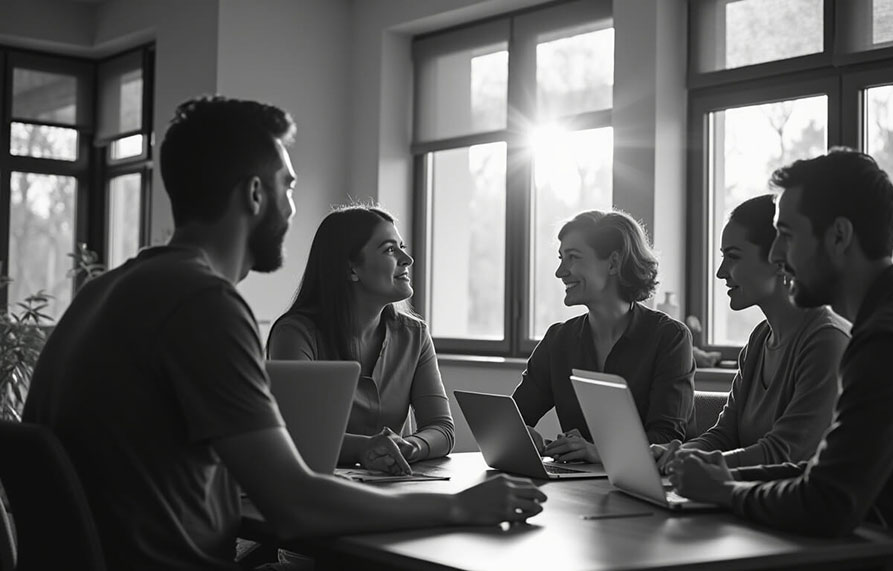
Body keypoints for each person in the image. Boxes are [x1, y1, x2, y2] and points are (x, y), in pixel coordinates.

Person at [21, 96, 545, 571]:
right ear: (255, 193)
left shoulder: (104, 291)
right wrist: (457, 504)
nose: (293, 207)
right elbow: (295, 506)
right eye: (288, 186)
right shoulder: (204, 303)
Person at [665, 149, 893, 571]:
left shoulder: (892, 338)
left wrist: (725, 492)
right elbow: (825, 475)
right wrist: (727, 478)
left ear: (839, 236)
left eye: (787, 234)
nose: (775, 255)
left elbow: (828, 503)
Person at [651, 195, 849, 470]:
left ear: (780, 258)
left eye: (733, 257)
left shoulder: (827, 341)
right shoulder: (759, 339)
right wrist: (675, 453)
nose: (721, 272)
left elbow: (784, 454)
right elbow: (724, 435)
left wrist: (700, 461)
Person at [268, 205, 454, 476]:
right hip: (317, 491)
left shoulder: (415, 335)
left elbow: (442, 428)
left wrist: (409, 447)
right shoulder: (295, 334)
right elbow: (295, 434)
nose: (407, 259)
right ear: (351, 268)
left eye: (401, 246)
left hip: (394, 488)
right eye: (390, 249)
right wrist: (366, 448)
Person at [513, 209, 695, 464]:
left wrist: (598, 453)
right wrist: (525, 438)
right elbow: (515, 418)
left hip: (644, 491)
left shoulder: (669, 338)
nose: (560, 272)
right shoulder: (558, 340)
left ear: (613, 263)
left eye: (572, 258)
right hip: (576, 488)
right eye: (560, 258)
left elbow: (665, 438)